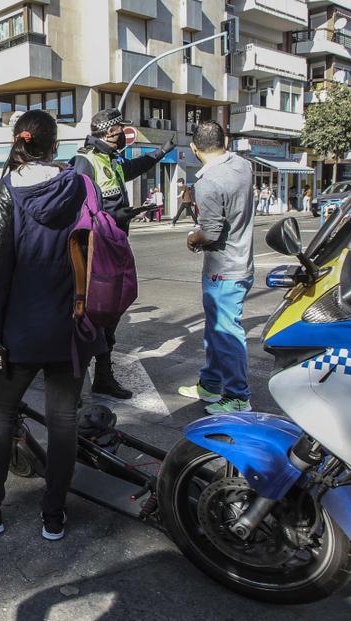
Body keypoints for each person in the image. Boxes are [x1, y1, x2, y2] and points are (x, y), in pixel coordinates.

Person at [0, 109, 105, 541]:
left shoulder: (7, 191)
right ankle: (54, 515)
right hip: (72, 325)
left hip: (17, 332)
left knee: (0, 416)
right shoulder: (81, 185)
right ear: (55, 144)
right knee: (63, 419)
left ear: (20, 141)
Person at [70, 107, 175, 400]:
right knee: (91, 319)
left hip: (114, 246)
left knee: (111, 315)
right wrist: (115, 214)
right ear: (108, 133)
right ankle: (74, 390)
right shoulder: (85, 161)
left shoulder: (111, 160)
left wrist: (159, 153)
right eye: (120, 132)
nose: (124, 136)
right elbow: (79, 211)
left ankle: (103, 378)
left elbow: (132, 169)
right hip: (95, 252)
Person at [178, 120, 256, 415]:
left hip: (224, 268)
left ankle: (238, 395)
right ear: (226, 142)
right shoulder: (242, 165)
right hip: (241, 262)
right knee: (216, 329)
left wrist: (191, 238)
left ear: (194, 148)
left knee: (226, 332)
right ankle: (210, 385)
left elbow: (209, 233)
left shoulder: (208, 183)